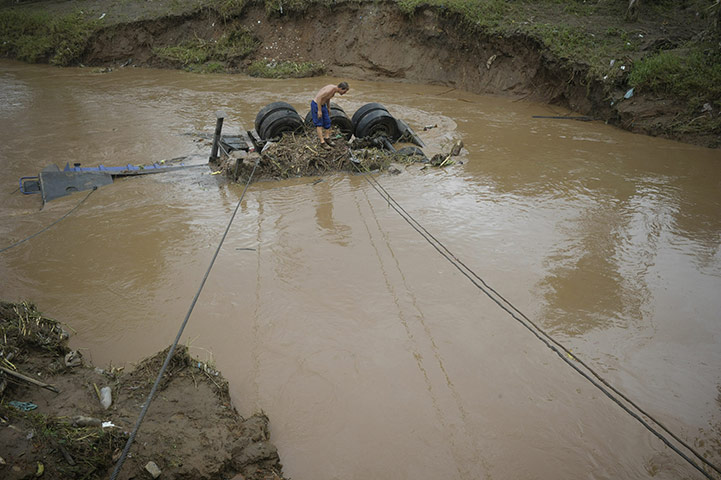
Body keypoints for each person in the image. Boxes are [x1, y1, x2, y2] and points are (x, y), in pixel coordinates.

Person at [310, 82, 349, 150]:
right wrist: (319, 110)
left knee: (328, 121)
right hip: (316, 105)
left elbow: (327, 98)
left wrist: (328, 107)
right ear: (340, 88)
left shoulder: (333, 91)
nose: (344, 93)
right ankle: (322, 142)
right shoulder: (330, 90)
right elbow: (319, 98)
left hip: (323, 105)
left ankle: (327, 138)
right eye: (344, 91)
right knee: (319, 124)